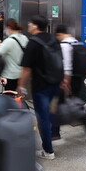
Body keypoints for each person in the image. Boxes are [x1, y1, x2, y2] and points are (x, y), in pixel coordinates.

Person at [19, 16, 61, 159]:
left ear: (35, 26)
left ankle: (48, 151)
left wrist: (20, 85)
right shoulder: (53, 39)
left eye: (30, 24)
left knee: (42, 118)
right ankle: (54, 136)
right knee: (50, 114)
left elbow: (26, 69)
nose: (28, 26)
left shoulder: (33, 43)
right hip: (55, 83)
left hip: (41, 86)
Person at [0, 19, 28, 88]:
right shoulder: (24, 38)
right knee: (18, 96)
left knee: (10, 95)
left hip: (10, 75)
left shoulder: (9, 41)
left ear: (8, 28)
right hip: (21, 74)